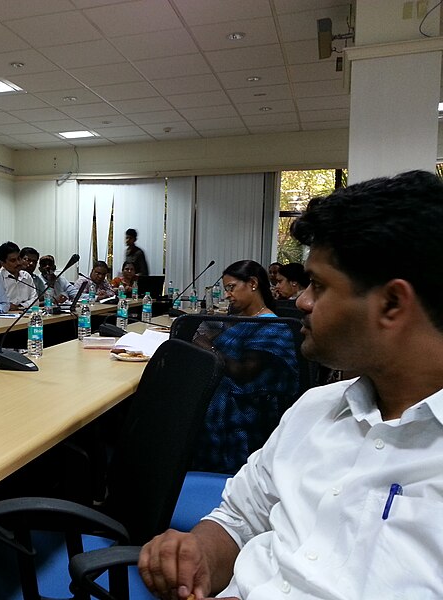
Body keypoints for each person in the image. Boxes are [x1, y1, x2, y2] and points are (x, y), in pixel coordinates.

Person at [139, 170, 443, 600]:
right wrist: (199, 553)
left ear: (391, 304)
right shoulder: (314, 408)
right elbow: (239, 518)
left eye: (318, 285)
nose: (301, 302)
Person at [190, 260, 299, 474]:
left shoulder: (271, 326)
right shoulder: (242, 321)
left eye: (231, 288)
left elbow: (243, 372)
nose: (228, 295)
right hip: (220, 406)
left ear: (252, 283)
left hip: (243, 418)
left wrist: (208, 346)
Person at [0, 241, 37, 311]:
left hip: (25, 314)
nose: (18, 263)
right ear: (2, 263)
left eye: (19, 258)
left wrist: (20, 306)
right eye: (13, 260)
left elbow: (35, 300)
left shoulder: (26, 276)